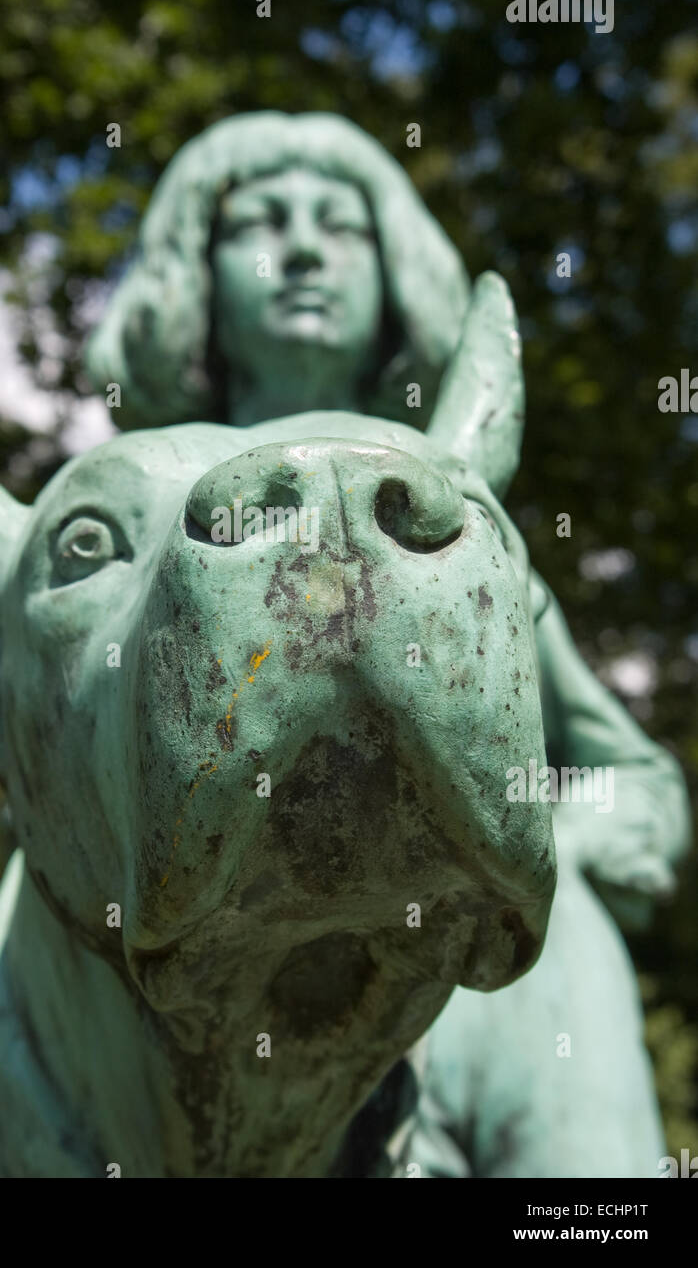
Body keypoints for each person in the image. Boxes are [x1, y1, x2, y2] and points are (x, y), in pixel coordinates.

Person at [86, 111, 690, 1176]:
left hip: (456, 972)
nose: (306, 249)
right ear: (196, 276)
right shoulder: (129, 521)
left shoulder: (445, 523)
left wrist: (569, 844)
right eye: (262, 223)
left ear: (394, 273)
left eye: (341, 226)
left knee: (564, 955)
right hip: (171, 955)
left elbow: (632, 776)